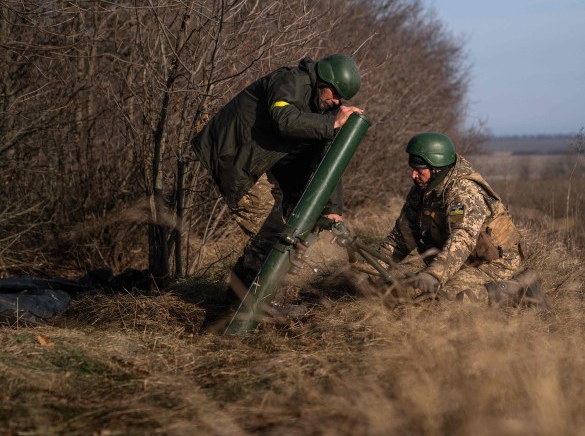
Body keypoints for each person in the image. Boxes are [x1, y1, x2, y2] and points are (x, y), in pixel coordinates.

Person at [191, 53, 364, 301]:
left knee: (286, 230)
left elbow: (325, 157)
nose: (336, 102)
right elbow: (284, 120)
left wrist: (333, 207)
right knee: (272, 236)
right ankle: (249, 308)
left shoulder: (320, 105)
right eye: (334, 94)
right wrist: (332, 123)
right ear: (323, 82)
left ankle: (234, 303)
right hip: (234, 154)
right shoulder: (291, 81)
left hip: (258, 161)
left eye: (341, 99)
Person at [378, 132, 547, 309]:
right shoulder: (421, 192)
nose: (413, 175)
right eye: (412, 168)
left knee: (444, 302)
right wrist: (371, 272)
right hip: (457, 262)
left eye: (419, 169)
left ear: (436, 168)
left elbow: (462, 238)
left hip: (493, 263)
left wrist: (434, 275)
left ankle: (519, 290)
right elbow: (401, 238)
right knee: (399, 294)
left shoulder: (464, 192)